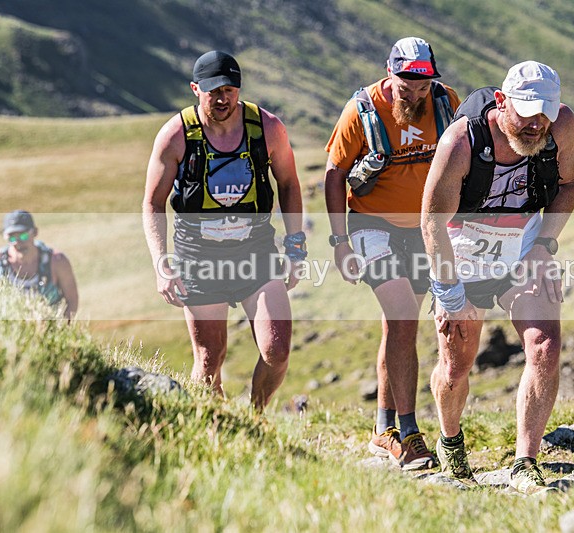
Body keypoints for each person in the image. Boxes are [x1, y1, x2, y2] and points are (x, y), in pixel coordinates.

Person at [421, 61, 574, 492]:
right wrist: (449, 295)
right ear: (501, 102)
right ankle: (450, 440)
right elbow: (432, 224)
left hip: (522, 251)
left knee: (545, 346)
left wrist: (545, 245)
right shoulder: (461, 142)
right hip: (461, 258)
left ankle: (525, 462)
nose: (536, 124)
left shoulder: (562, 127)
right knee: (455, 366)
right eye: (526, 112)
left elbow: (570, 183)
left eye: (545, 112)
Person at [324, 37, 460, 470]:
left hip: (424, 229)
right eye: (406, 87)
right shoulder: (361, 110)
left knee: (397, 327)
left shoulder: (445, 102)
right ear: (389, 73)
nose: (415, 94)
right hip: (372, 225)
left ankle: (382, 430)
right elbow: (334, 173)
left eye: (422, 86)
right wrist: (339, 242)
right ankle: (410, 434)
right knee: (402, 319)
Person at [143, 50, 305, 409]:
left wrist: (295, 248)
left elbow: (289, 184)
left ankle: (255, 417)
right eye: (213, 91)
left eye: (229, 90)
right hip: (198, 256)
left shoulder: (267, 128)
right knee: (208, 359)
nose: (222, 99)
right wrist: (160, 263)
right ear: (195, 89)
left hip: (256, 251)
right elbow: (153, 203)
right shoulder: (176, 135)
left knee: (277, 351)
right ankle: (215, 425)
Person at [0, 210, 79, 320]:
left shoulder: (57, 261)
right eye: (12, 238)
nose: (17, 242)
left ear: (35, 232)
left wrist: (62, 326)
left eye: (23, 236)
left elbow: (72, 300)